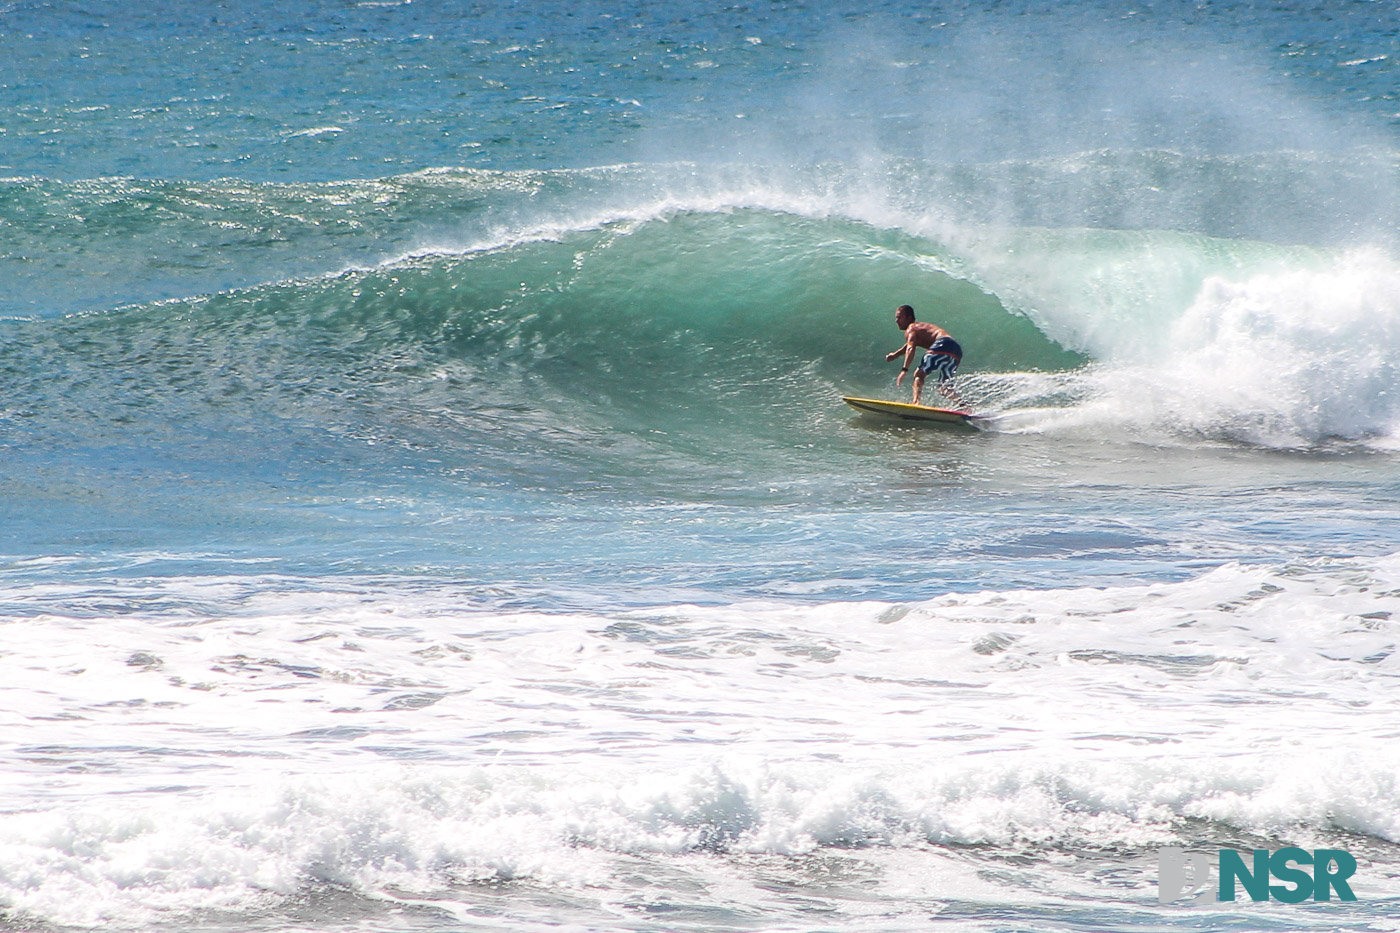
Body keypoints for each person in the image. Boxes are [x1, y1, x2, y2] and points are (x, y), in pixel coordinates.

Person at [883, 304, 965, 407]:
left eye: (899, 317)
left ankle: (916, 402)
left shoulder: (911, 327)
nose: (896, 320)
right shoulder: (920, 329)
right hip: (956, 350)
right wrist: (895, 355)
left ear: (909, 318)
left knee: (919, 374)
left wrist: (904, 370)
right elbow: (909, 345)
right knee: (944, 387)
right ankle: (965, 407)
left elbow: (911, 348)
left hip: (942, 343)